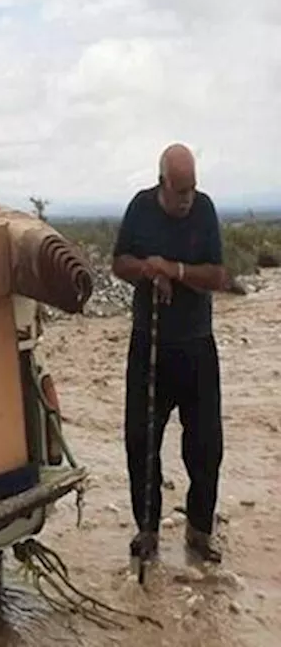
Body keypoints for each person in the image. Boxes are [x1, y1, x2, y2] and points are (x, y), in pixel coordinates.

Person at [112, 143, 228, 565]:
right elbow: (119, 262)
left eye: (192, 189)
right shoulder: (140, 209)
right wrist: (148, 269)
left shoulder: (205, 211)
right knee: (140, 439)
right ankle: (148, 531)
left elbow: (217, 275)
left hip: (196, 345)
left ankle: (199, 533)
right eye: (181, 191)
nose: (187, 199)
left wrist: (174, 271)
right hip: (150, 345)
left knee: (206, 445)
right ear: (164, 183)